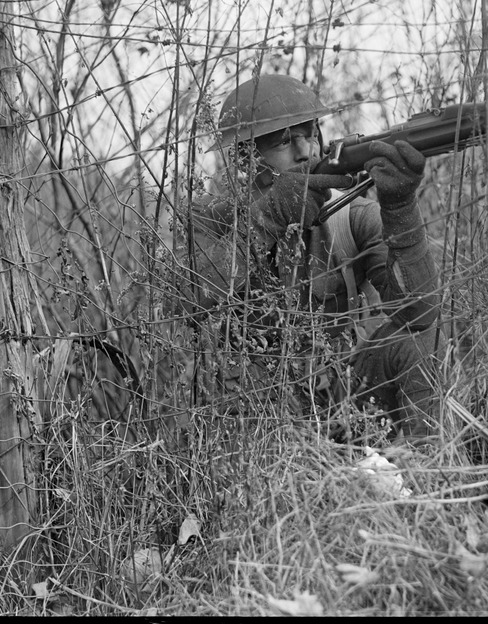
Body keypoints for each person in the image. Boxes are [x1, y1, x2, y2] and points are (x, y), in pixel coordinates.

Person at [180, 72, 441, 442]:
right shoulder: (209, 218)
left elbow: (420, 315)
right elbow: (188, 300)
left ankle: (423, 482)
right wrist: (268, 218)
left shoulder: (352, 216)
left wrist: (400, 207)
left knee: (419, 343)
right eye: (285, 141)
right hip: (254, 412)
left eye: (310, 133)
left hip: (345, 397)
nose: (306, 151)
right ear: (244, 156)